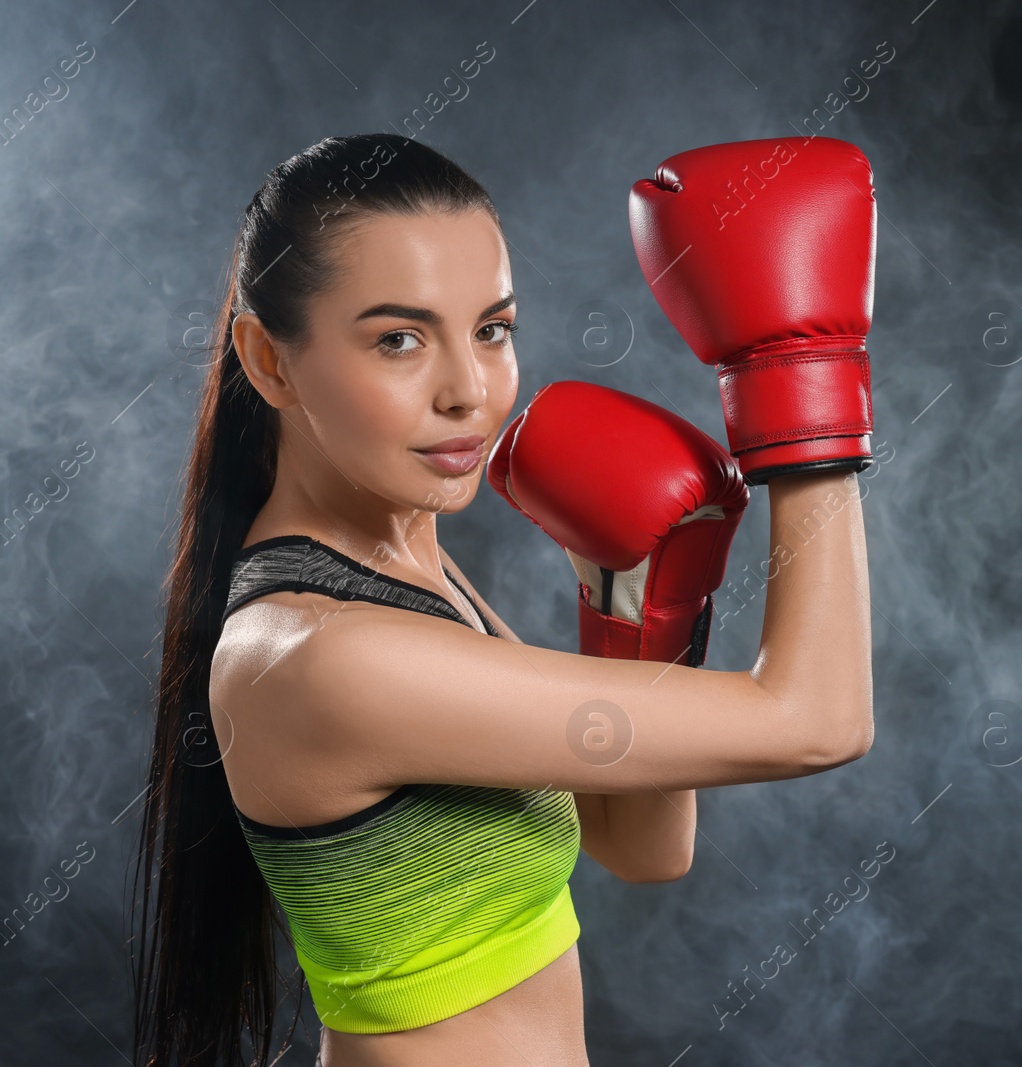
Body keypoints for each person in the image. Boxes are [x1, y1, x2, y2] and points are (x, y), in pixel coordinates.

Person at [129, 131, 878, 1067]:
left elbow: (640, 844)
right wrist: (802, 387)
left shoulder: (411, 574)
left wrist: (642, 606)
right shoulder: (325, 655)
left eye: (491, 329)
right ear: (270, 360)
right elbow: (818, 721)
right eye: (399, 340)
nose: (470, 392)